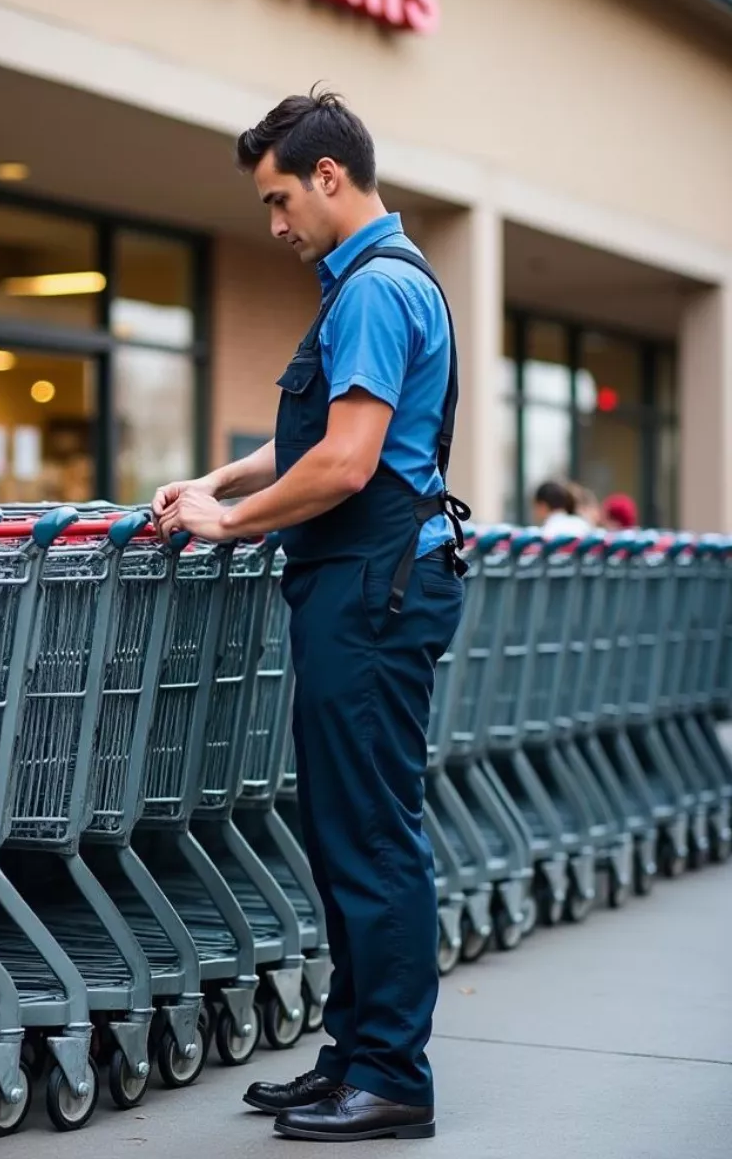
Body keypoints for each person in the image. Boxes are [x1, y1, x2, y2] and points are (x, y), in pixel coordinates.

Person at [152, 88, 467, 1143]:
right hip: (363, 587)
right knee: (347, 834)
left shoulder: (376, 289)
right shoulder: (369, 285)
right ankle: (355, 1058)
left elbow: (345, 463)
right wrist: (215, 480)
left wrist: (226, 524)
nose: (276, 224)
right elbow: (308, 442)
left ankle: (392, 1076)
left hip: (372, 591)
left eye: (282, 199)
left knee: (371, 837)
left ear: (330, 177)